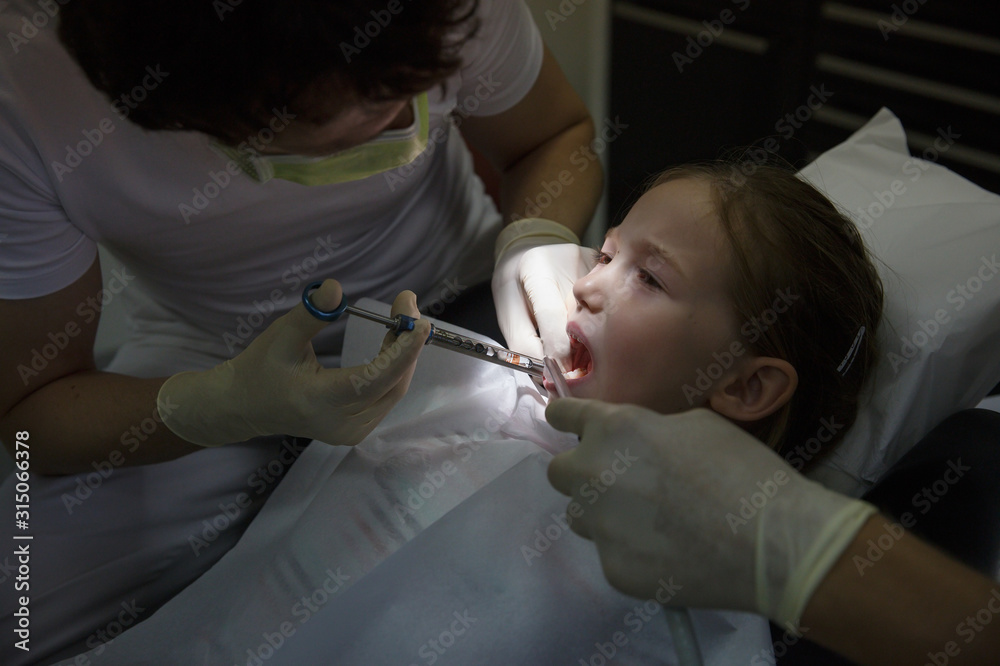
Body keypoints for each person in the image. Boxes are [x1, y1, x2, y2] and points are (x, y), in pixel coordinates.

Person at [0, 1, 600, 662]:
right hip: (211, 356)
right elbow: (31, 420)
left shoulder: (444, 9)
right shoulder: (23, 92)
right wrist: (220, 406)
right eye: (360, 112)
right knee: (19, 605)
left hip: (458, 298)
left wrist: (535, 237)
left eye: (407, 91)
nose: (405, 119)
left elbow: (553, 137)